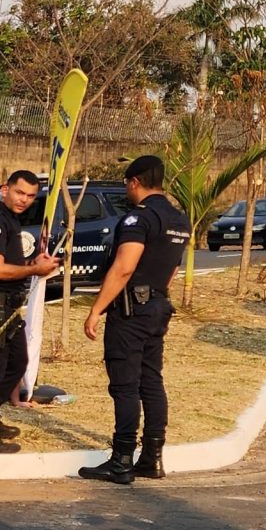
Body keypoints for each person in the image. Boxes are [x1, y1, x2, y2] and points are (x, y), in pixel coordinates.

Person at [80, 154, 187, 484]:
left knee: (125, 385)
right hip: (158, 306)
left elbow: (124, 267)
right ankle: (152, 458)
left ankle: (122, 460)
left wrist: (96, 309)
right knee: (151, 381)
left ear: (134, 182)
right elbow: (171, 270)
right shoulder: (178, 219)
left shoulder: (137, 219)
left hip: (130, 311)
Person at [0, 169, 60, 455]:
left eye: (31, 196)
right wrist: (34, 269)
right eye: (20, 193)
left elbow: (9, 263)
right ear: (5, 189)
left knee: (17, 363)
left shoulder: (9, 219)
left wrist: (32, 261)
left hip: (8, 307)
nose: (25, 200)